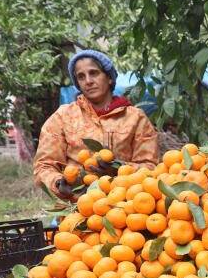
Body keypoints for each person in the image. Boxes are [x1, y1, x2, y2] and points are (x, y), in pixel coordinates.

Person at [34, 49, 158, 199]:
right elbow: (44, 165)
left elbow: (150, 168)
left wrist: (118, 168)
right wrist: (58, 183)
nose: (88, 81)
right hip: (78, 208)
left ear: (109, 78)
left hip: (124, 208)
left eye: (94, 73)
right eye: (81, 76)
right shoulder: (63, 117)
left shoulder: (135, 118)